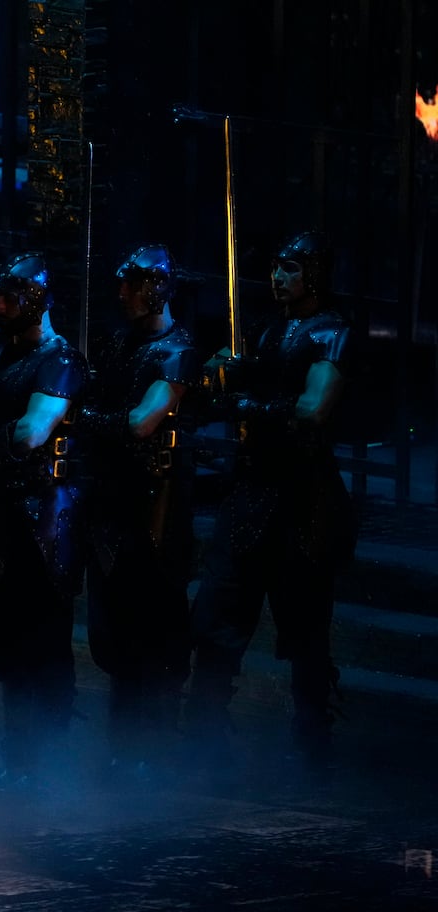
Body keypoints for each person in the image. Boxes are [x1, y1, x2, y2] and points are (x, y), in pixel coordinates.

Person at [183, 230, 356, 779]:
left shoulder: (331, 331)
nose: (278, 277)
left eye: (289, 268)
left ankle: (312, 748)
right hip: (251, 492)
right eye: (276, 267)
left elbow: (312, 408)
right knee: (214, 618)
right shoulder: (265, 329)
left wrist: (248, 401)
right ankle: (206, 742)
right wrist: (220, 374)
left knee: (305, 630)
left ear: (313, 275)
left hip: (301, 498)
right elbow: (225, 376)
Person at [0, 252, 88, 791]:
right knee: (6, 641)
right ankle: (19, 757)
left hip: (42, 519)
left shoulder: (59, 359)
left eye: (10, 297)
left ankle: (43, 760)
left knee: (40, 642)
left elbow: (32, 432)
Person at [74, 245, 201, 783]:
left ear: (154, 288)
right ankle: (124, 748)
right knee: (115, 636)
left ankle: (155, 750)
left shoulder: (175, 349)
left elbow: (144, 422)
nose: (121, 294)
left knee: (156, 631)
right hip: (109, 502)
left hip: (155, 507)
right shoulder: (118, 346)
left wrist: (87, 418)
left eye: (130, 285)